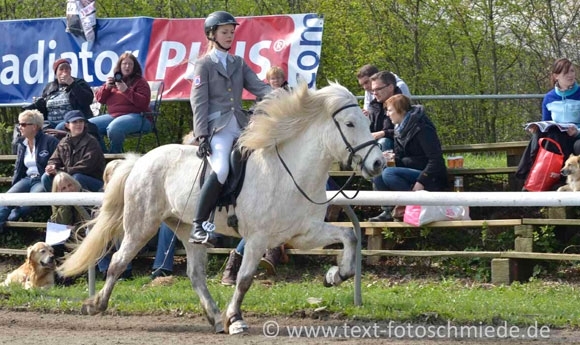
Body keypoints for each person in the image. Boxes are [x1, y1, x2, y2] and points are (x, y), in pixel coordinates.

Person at [188, 11, 272, 246]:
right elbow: (199, 101)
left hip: (241, 124)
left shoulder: (238, 62)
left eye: (232, 33)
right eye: (224, 32)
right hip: (218, 128)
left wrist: (286, 96)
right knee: (222, 170)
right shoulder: (203, 64)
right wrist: (201, 134)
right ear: (212, 34)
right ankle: (198, 224)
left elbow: (258, 87)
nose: (229, 36)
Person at [369, 94, 448, 221]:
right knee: (378, 174)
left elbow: (436, 160)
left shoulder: (422, 128)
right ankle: (389, 211)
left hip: (430, 177)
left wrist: (421, 181)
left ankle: (412, 207)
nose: (387, 114)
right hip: (411, 172)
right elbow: (405, 159)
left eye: (389, 110)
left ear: (401, 111)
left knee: (389, 173)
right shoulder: (399, 130)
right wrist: (392, 158)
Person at [516, 58, 580, 183]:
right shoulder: (549, 97)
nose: (571, 75)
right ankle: (530, 176)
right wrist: (538, 127)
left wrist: (577, 132)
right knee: (540, 134)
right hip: (558, 135)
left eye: (572, 71)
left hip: (576, 136)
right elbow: (547, 122)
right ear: (556, 76)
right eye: (566, 72)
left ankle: (525, 175)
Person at [0, 110, 59, 232]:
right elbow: (19, 168)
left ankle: (16, 213)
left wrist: (53, 168)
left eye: (23, 124)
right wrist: (15, 185)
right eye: (19, 124)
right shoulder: (22, 144)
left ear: (35, 127)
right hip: (27, 179)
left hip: (42, 179)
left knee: (28, 204)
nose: (19, 127)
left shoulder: (50, 141)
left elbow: (60, 161)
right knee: (5, 200)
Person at [90, 52, 151, 153]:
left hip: (139, 116)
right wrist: (106, 88)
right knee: (88, 126)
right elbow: (100, 99)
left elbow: (143, 103)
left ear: (134, 67)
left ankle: (115, 156)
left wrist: (126, 91)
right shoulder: (115, 81)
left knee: (114, 128)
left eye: (130, 64)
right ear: (119, 66)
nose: (127, 66)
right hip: (114, 116)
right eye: (124, 64)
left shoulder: (140, 82)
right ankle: (103, 156)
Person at [41, 110, 105, 193]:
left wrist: (60, 170)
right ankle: (58, 205)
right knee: (46, 177)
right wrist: (51, 166)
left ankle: (85, 205)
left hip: (93, 181)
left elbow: (85, 167)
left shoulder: (92, 142)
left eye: (81, 121)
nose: (78, 124)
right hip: (69, 175)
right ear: (67, 125)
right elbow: (54, 159)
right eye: (74, 122)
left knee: (77, 177)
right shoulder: (63, 142)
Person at [24, 58, 95, 130]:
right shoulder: (50, 87)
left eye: (67, 69)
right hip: (50, 122)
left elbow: (87, 100)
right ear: (56, 73)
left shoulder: (79, 83)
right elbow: (44, 108)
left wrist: (72, 84)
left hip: (72, 122)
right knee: (28, 127)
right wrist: (37, 104)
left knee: (59, 127)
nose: (65, 72)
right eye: (61, 69)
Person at [48, 171, 91, 258]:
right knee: (52, 228)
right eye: (63, 188)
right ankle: (58, 266)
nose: (68, 189)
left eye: (70, 185)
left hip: (83, 234)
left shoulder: (86, 196)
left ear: (75, 184)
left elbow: (89, 221)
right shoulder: (56, 203)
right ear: (57, 192)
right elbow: (60, 223)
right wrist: (66, 203)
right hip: (68, 236)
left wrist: (76, 203)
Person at [368, 71, 408, 151]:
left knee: (384, 142)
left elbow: (406, 130)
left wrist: (383, 133)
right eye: (373, 90)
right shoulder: (374, 105)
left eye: (378, 89)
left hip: (398, 146)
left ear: (390, 87)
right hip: (377, 143)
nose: (375, 93)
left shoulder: (402, 104)